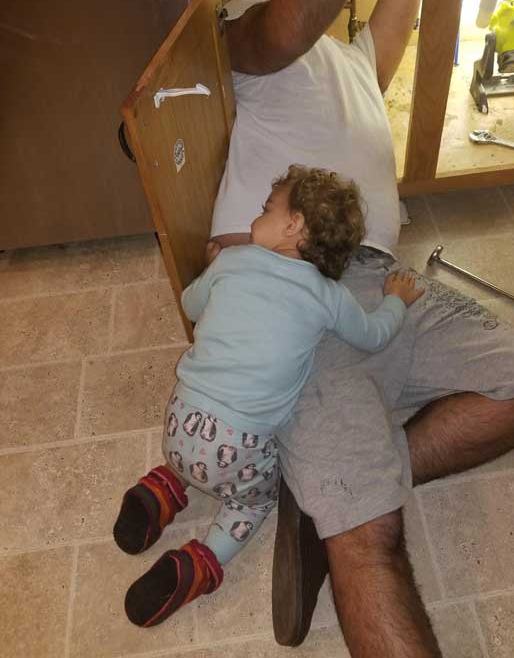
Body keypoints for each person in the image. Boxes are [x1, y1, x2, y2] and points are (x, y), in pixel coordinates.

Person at [211, 0, 514, 656]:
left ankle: (327, 494)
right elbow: (289, 20)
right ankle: (346, 505)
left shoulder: (352, 66)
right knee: (372, 534)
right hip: (297, 293)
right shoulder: (250, 44)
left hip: (388, 284)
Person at [113, 164, 424, 628]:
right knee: (253, 501)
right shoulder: (328, 296)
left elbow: (191, 306)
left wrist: (212, 266)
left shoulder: (233, 262)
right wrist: (396, 298)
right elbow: (375, 335)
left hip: (181, 422)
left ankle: (164, 486)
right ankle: (200, 562)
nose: (256, 216)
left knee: (193, 456)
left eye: (266, 208)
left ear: (294, 224)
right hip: (237, 449)